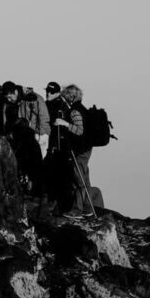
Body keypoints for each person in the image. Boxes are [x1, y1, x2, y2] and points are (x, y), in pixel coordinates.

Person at [51, 84, 95, 217]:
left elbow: (79, 131)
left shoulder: (75, 111)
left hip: (80, 150)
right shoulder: (82, 108)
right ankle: (88, 208)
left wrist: (64, 123)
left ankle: (77, 210)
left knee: (78, 179)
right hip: (86, 149)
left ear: (70, 97)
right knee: (84, 178)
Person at [19, 86, 51, 159]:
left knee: (40, 158)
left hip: (40, 134)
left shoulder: (37, 99)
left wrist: (42, 134)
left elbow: (44, 117)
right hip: (31, 134)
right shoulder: (23, 100)